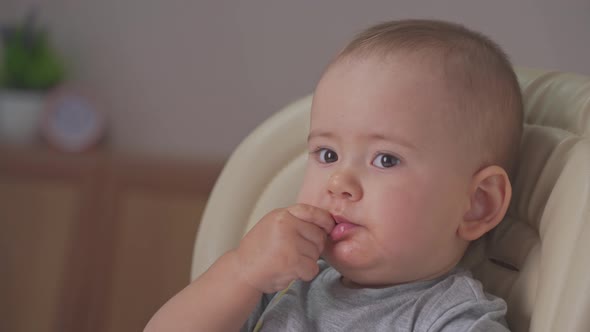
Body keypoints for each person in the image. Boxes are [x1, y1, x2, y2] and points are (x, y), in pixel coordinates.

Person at [144, 19, 523, 332]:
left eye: (386, 159)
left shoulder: (453, 319)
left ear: (477, 205)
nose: (338, 182)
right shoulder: (285, 278)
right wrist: (243, 272)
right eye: (327, 154)